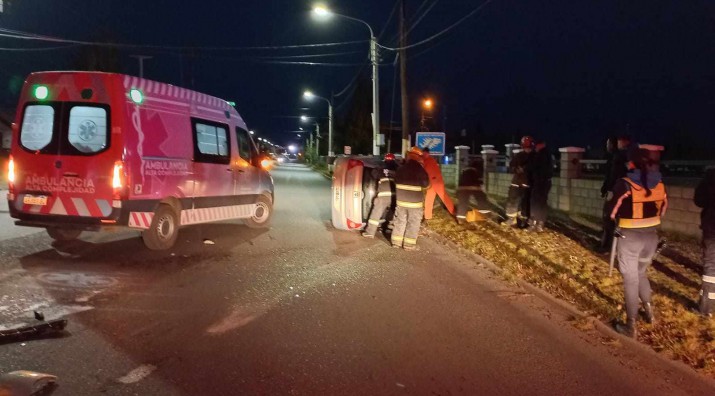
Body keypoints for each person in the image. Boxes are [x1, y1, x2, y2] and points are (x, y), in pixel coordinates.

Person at [609, 148, 667, 337]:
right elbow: (663, 210)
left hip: (630, 238)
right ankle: (650, 313)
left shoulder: (624, 184)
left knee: (631, 280)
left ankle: (631, 325)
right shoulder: (660, 184)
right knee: (641, 273)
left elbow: (613, 212)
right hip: (651, 237)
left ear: (631, 164)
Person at [391, 147, 430, 250]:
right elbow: (426, 185)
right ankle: (409, 245)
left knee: (400, 221)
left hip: (401, 202)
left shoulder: (400, 169)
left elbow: (395, 181)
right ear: (419, 158)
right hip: (415, 203)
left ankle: (396, 242)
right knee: (413, 223)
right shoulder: (421, 170)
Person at [694, 167, 715, 317]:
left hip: (713, 229)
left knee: (711, 268)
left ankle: (705, 308)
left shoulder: (711, 175)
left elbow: (699, 200)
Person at [599, 136, 625, 251]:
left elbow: (612, 176)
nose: (607, 146)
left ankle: (606, 246)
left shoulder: (616, 158)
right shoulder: (615, 157)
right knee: (611, 219)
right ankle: (609, 243)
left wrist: (608, 190)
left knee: (608, 219)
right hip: (615, 191)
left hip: (614, 192)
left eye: (608, 144)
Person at [363, 153, 398, 238]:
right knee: (393, 213)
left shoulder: (381, 167)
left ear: (385, 159)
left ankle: (370, 232)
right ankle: (390, 229)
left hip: (383, 195)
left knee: (376, 213)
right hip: (395, 195)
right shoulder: (397, 167)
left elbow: (373, 174)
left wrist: (378, 166)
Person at [504, 136, 534, 227]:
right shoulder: (519, 155)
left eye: (528, 147)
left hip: (527, 184)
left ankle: (524, 220)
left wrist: (525, 170)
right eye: (525, 147)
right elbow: (512, 165)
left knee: (526, 203)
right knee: (512, 200)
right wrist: (516, 169)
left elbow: (535, 169)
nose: (527, 149)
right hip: (516, 183)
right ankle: (511, 219)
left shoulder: (535, 157)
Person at [421, 147, 455, 220]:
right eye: (423, 153)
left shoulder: (429, 160)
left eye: (425, 153)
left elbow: (424, 171)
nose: (424, 154)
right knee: (429, 199)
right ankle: (427, 216)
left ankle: (453, 211)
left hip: (437, 182)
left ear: (428, 153)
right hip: (432, 183)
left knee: (444, 197)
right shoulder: (426, 160)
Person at [527, 138, 552, 232]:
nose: (535, 147)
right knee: (542, 202)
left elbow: (533, 166)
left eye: (536, 145)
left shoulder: (540, 155)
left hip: (540, 182)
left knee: (535, 201)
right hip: (546, 182)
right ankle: (540, 223)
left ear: (540, 145)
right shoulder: (547, 154)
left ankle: (534, 222)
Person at [455, 157, 489, 225]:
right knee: (481, 198)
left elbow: (460, 180)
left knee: (463, 201)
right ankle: (484, 213)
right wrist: (481, 187)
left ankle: (460, 218)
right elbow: (479, 180)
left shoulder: (465, 169)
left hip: (462, 187)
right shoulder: (477, 169)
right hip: (473, 186)